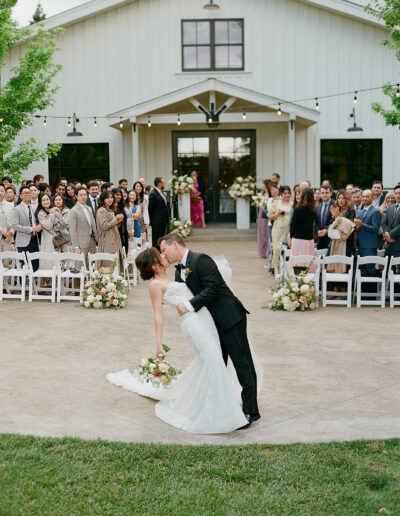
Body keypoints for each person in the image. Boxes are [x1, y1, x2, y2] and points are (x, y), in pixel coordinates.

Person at [158, 233, 260, 429]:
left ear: (176, 245)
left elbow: (213, 288)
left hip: (230, 318)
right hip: (210, 325)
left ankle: (251, 411)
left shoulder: (201, 260)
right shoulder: (179, 271)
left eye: (165, 250)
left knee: (242, 364)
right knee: (216, 366)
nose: (164, 254)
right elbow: (181, 291)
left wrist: (189, 305)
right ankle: (221, 409)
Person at [12, 186, 42, 272]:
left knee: (35, 265)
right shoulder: (16, 209)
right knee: (24, 267)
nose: (28, 194)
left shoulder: (33, 208)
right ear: (20, 196)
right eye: (25, 193)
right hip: (23, 241)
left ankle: (34, 284)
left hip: (34, 240)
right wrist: (31, 229)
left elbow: (35, 222)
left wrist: (38, 226)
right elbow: (15, 226)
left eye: (29, 193)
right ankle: (23, 284)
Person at [36, 193, 69, 269]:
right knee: (50, 262)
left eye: (47, 199)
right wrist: (51, 215)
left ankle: (61, 279)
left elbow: (64, 223)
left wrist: (57, 213)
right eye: (43, 200)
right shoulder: (40, 213)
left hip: (59, 239)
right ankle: (49, 280)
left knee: (61, 262)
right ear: (40, 202)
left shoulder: (54, 209)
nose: (46, 202)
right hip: (48, 240)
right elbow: (48, 226)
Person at [68, 187, 98, 265]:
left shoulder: (89, 208)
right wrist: (76, 247)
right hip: (81, 244)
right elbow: (72, 230)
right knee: (80, 267)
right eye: (81, 195)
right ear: (76, 196)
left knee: (91, 266)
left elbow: (93, 225)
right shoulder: (73, 211)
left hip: (92, 241)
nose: (83, 197)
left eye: (85, 195)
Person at [289, 188, 316, 269]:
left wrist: (291, 236)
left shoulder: (298, 209)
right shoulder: (313, 211)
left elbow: (292, 225)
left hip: (298, 239)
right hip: (309, 240)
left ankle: (297, 280)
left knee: (297, 262)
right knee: (308, 262)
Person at [96, 191, 124, 268]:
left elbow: (113, 226)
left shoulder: (110, 210)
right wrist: (116, 219)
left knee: (116, 262)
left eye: (111, 197)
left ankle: (116, 279)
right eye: (107, 198)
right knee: (108, 263)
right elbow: (105, 226)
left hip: (114, 238)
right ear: (103, 199)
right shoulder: (101, 210)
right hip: (106, 239)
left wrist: (119, 220)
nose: (110, 199)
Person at [354, 189, 381, 267]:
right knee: (361, 272)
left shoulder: (375, 211)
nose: (364, 198)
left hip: (369, 247)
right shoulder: (361, 211)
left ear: (372, 197)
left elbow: (376, 229)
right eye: (363, 196)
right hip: (360, 246)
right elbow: (357, 227)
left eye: (367, 196)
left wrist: (361, 225)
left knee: (369, 272)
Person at [269, 185, 292, 273]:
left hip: (289, 231)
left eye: (288, 193)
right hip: (278, 230)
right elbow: (270, 217)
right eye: (285, 193)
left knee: (287, 250)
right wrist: (277, 214)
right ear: (281, 194)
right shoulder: (276, 203)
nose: (287, 195)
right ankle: (277, 272)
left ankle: (287, 271)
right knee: (278, 250)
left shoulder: (293, 203)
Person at [329, 190, 356, 256]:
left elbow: (349, 226)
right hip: (335, 239)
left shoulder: (351, 211)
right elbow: (331, 225)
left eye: (343, 198)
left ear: (347, 200)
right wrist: (334, 218)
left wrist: (337, 218)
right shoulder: (336, 210)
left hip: (346, 241)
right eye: (339, 198)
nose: (340, 200)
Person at [148, 177, 169, 250]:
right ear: (159, 184)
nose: (164, 184)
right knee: (156, 239)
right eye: (163, 183)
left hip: (163, 221)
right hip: (156, 221)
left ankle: (160, 253)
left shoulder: (161, 192)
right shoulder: (153, 194)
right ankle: (156, 254)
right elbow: (150, 209)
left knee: (161, 239)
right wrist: (152, 220)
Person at [382, 185, 400, 259]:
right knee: (388, 268)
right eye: (396, 193)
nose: (398, 195)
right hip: (389, 245)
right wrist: (386, 234)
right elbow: (384, 223)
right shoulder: (391, 207)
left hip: (398, 243)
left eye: (399, 193)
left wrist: (390, 235)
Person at [315, 185, 335, 250]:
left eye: (326, 193)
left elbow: (336, 221)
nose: (324, 195)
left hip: (331, 238)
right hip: (320, 238)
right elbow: (316, 222)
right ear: (320, 194)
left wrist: (327, 230)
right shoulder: (317, 207)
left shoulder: (335, 205)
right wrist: (318, 230)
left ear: (331, 193)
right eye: (322, 193)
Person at [112, 188, 128, 252]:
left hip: (123, 232)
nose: (119, 196)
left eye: (120, 195)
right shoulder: (110, 207)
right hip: (114, 232)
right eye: (117, 194)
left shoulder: (121, 206)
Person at [257, 179, 270, 259]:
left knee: (267, 231)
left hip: (267, 214)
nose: (262, 186)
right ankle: (262, 251)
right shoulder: (261, 193)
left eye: (262, 184)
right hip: (261, 213)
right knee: (261, 231)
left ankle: (267, 250)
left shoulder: (270, 194)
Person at [0, 184, 13, 254]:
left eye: (2, 191)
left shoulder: (11, 205)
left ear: (5, 192)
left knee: (7, 263)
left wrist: (10, 233)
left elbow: (14, 222)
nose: (0, 193)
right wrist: (1, 230)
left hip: (8, 238)